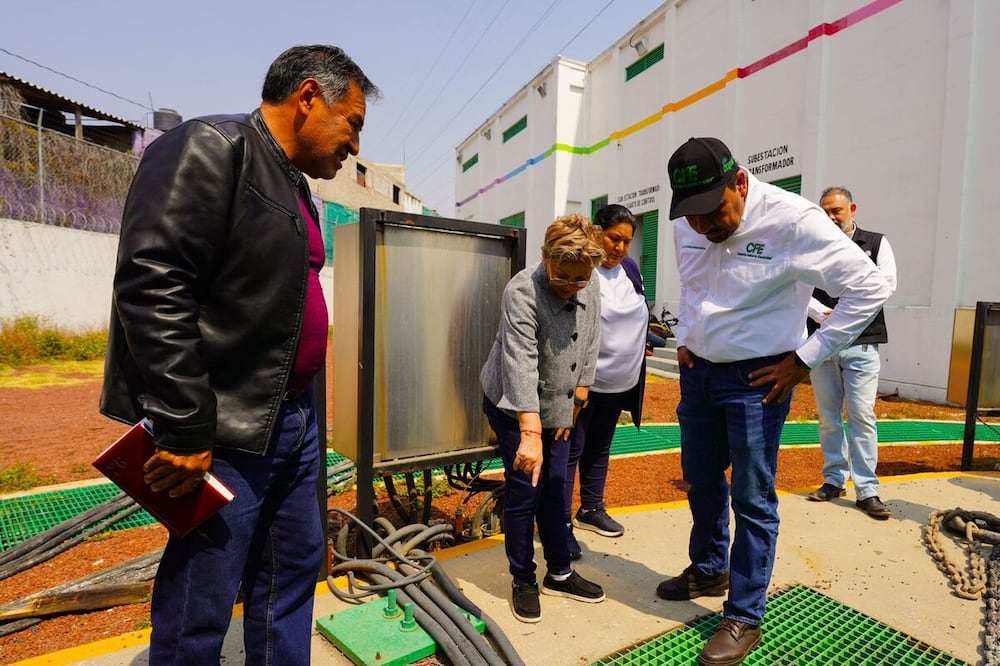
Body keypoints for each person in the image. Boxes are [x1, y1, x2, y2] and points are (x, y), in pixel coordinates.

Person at [99, 46, 378, 664]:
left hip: (292, 422)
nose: (353, 145)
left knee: (291, 576)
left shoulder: (294, 184)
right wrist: (186, 424)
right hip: (224, 429)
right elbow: (153, 284)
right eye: (352, 124)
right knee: (203, 595)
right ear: (308, 97)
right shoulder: (212, 147)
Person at [658, 137, 891, 666]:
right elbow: (694, 285)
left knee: (752, 495)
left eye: (714, 214)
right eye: (691, 217)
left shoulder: (793, 221)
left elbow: (869, 288)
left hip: (757, 379)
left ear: (740, 182)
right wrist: (686, 337)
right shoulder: (687, 221)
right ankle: (711, 566)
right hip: (699, 376)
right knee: (699, 477)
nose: (703, 227)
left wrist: (806, 359)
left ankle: (743, 615)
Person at [480, 213, 608, 623]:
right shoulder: (523, 292)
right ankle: (522, 577)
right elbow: (521, 363)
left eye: (580, 280)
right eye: (563, 276)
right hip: (514, 404)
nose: (572, 287)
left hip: (561, 401)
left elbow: (590, 337)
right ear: (545, 257)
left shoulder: (592, 277)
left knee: (557, 485)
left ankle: (560, 572)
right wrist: (531, 432)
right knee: (526, 489)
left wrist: (580, 393)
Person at [806, 187, 897, 519]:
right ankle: (833, 480)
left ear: (852, 209)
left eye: (837, 211)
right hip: (822, 346)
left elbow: (885, 286)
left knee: (861, 416)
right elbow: (798, 288)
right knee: (829, 418)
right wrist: (818, 313)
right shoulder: (814, 247)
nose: (831, 217)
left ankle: (867, 490)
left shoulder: (875, 243)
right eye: (825, 211)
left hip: (862, 344)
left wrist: (843, 314)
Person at [564, 204, 648, 556]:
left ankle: (591, 509)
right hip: (583, 383)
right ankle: (560, 523)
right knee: (569, 451)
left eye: (627, 241)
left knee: (600, 447)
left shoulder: (629, 269)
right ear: (597, 233)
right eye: (615, 239)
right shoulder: (582, 268)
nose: (621, 248)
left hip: (618, 382)